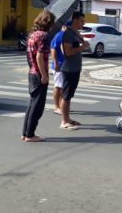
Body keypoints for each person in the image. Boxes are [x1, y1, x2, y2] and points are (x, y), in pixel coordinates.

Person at [21, 9, 56, 142]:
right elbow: (40, 56)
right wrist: (44, 75)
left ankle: (25, 133)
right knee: (38, 107)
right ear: (49, 23)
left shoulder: (32, 34)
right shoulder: (44, 36)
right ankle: (30, 135)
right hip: (39, 74)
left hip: (32, 73)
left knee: (32, 104)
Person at [60, 11, 90, 130]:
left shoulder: (74, 32)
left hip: (75, 68)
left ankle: (68, 118)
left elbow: (79, 44)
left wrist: (81, 40)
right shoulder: (67, 33)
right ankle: (64, 121)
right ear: (75, 20)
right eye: (81, 21)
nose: (83, 23)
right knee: (66, 95)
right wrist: (82, 47)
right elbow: (68, 52)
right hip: (69, 68)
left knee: (69, 95)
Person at [50, 21, 69, 114]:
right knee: (58, 86)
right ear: (65, 27)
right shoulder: (59, 35)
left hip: (65, 65)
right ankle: (56, 106)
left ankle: (62, 106)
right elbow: (53, 49)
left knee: (63, 87)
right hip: (59, 65)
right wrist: (56, 63)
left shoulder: (65, 36)